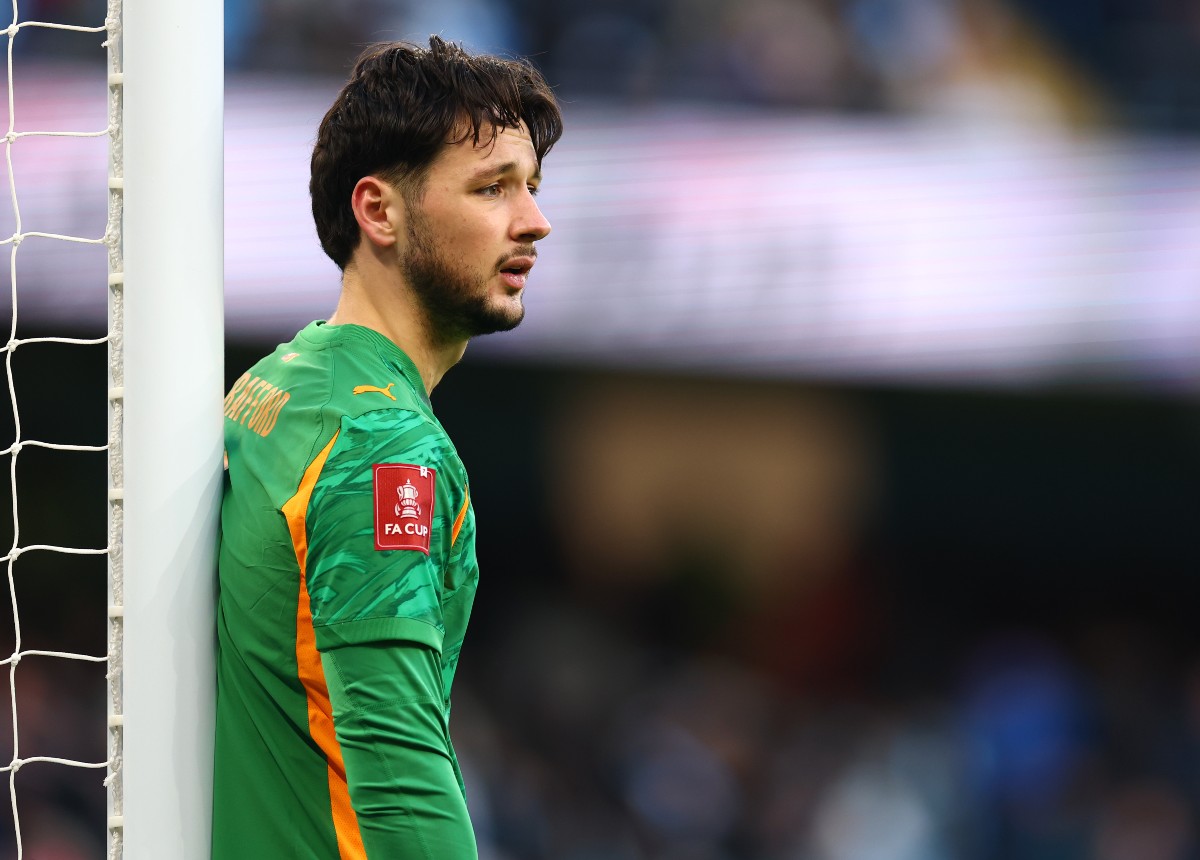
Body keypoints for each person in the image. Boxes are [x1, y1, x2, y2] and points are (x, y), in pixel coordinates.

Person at [212, 36, 562, 858]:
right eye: (493, 189)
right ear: (379, 212)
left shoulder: (281, 384)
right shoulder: (384, 448)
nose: (536, 222)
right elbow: (397, 769)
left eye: (533, 188)